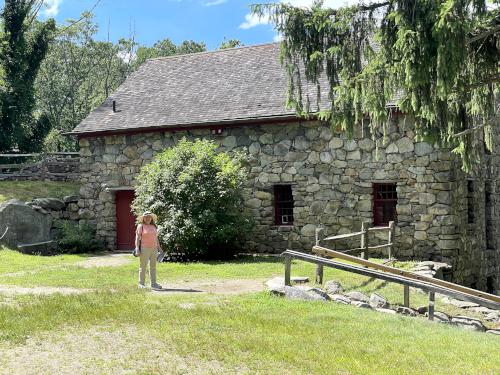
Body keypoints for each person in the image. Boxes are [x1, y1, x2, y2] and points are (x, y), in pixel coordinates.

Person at [135, 211, 163, 290]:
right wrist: (137, 248)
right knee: (143, 266)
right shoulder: (141, 226)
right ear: (143, 218)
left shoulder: (154, 226)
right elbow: (137, 238)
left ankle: (153, 284)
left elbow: (156, 238)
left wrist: (159, 248)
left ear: (151, 218)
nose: (147, 218)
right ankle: (141, 284)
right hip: (144, 248)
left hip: (154, 249)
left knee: (153, 267)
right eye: (146, 217)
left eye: (149, 217)